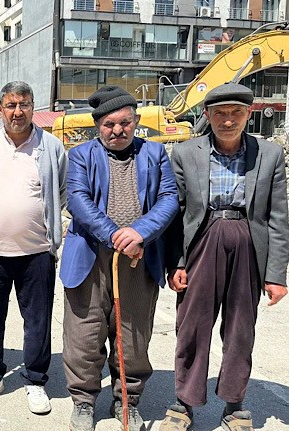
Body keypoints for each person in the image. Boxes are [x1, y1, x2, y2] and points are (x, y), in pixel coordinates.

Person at [160, 83, 288, 431]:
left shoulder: (269, 154)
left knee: (240, 329)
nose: (228, 121)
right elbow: (177, 213)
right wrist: (177, 263)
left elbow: (277, 216)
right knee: (192, 326)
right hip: (203, 240)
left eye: (236, 114)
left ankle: (234, 405)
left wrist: (276, 274)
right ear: (207, 115)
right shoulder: (187, 153)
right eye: (220, 114)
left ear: (248, 114)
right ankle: (184, 405)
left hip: (247, 240)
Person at [59, 86, 178, 431]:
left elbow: (169, 198)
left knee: (133, 334)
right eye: (109, 124)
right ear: (98, 126)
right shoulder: (81, 155)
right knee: (84, 332)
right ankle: (83, 402)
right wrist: (114, 234)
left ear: (136, 121)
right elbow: (78, 201)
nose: (118, 130)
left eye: (125, 122)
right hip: (91, 258)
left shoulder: (154, 154)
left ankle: (127, 399)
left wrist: (140, 231)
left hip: (138, 260)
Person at [0, 81, 67, 415]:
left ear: (32, 107)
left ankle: (35, 380)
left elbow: (61, 190)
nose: (17, 112)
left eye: (23, 105)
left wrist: (45, 224)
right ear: (0, 109)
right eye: (10, 105)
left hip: (36, 251)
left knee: (37, 320)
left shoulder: (50, 146)